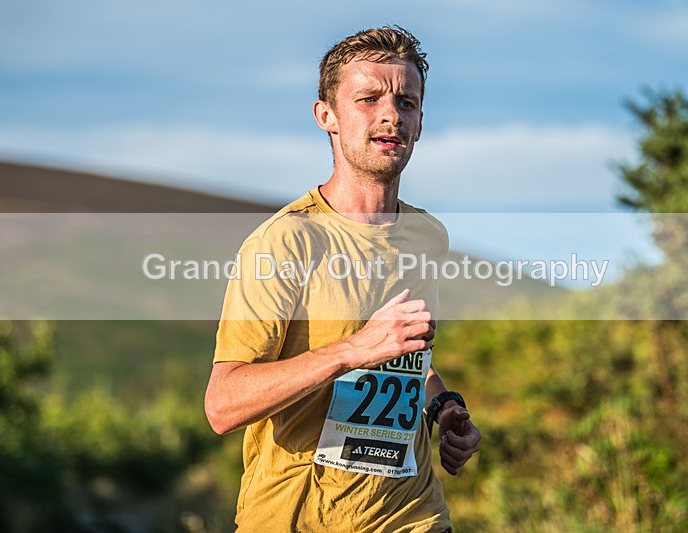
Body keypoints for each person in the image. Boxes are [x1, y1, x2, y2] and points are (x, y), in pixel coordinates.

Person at [205, 26, 481, 532]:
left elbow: (405, 355)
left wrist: (443, 405)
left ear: (420, 124)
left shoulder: (427, 235)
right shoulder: (286, 241)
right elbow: (223, 404)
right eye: (368, 98)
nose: (390, 115)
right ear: (326, 116)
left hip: (412, 515)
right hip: (298, 517)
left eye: (407, 102)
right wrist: (355, 349)